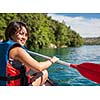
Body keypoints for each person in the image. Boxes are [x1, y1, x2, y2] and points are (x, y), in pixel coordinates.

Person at [0, 21, 59, 86]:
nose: (24, 38)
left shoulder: (2, 46)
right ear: (11, 34)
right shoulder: (17, 50)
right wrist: (52, 60)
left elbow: (32, 66)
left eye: (26, 35)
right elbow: (39, 67)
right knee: (44, 73)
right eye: (21, 34)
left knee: (36, 72)